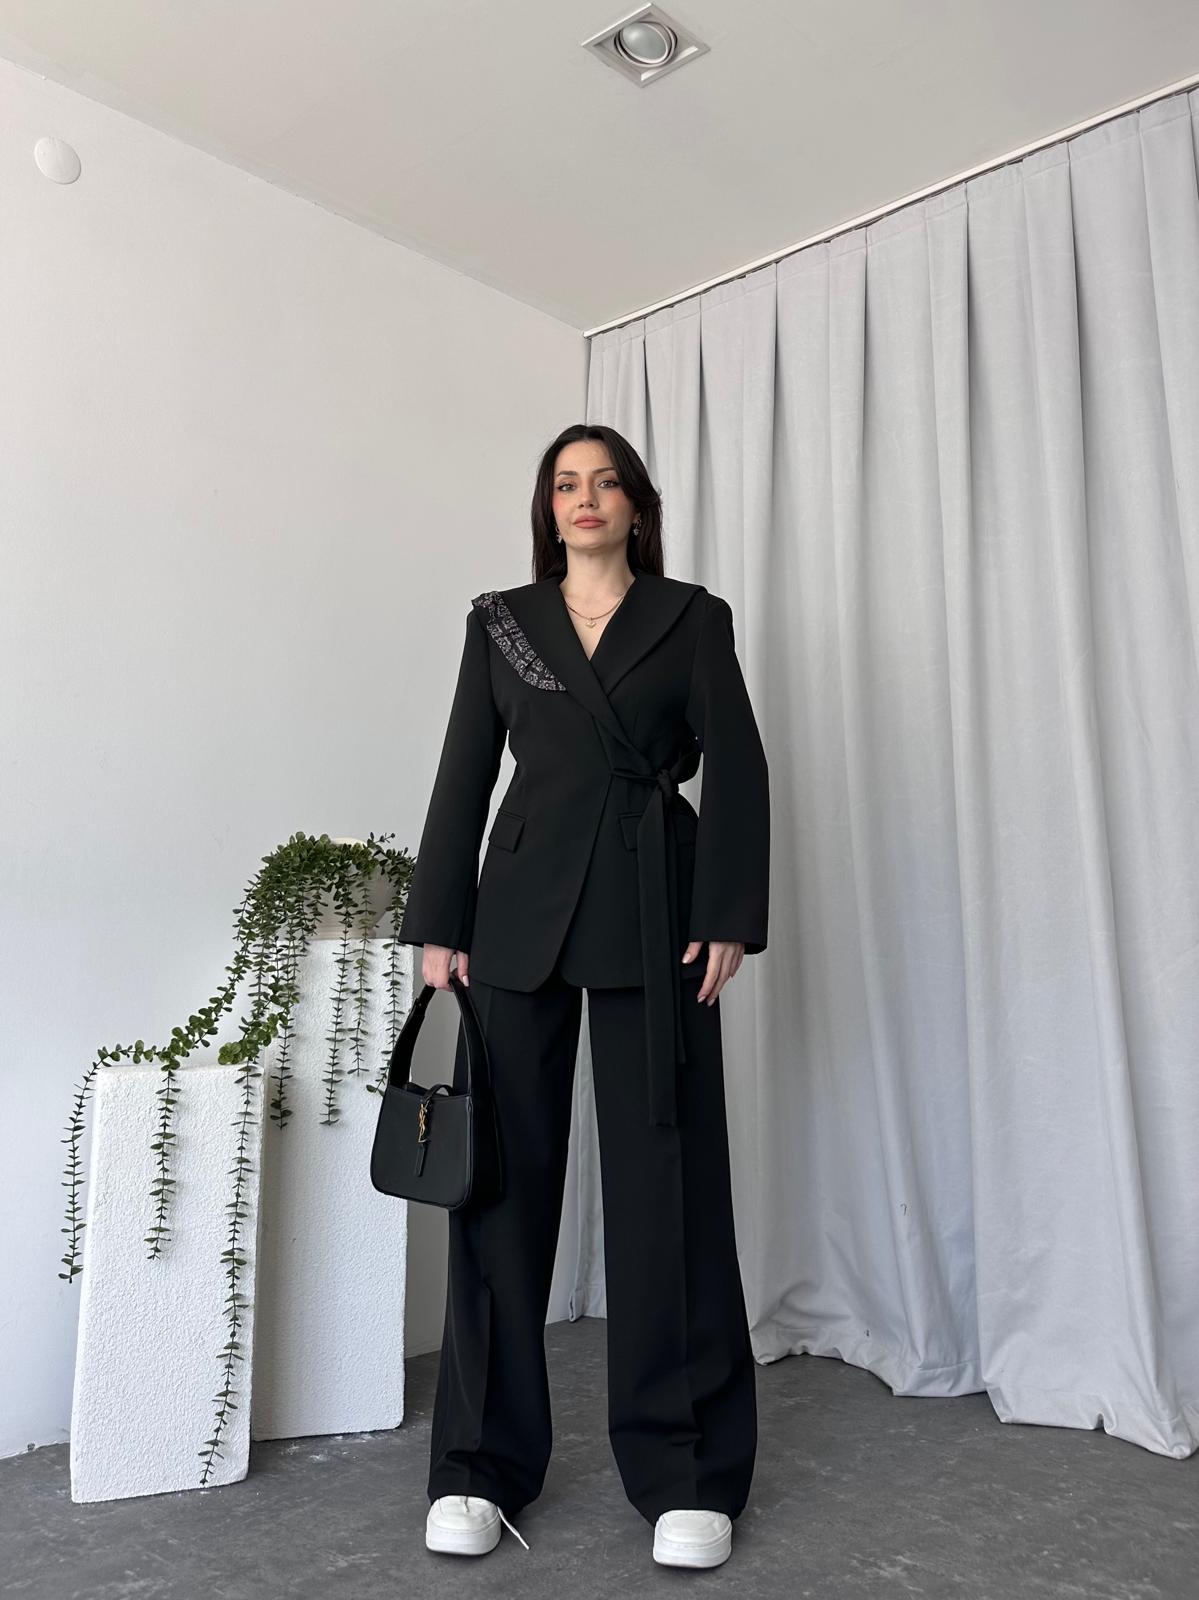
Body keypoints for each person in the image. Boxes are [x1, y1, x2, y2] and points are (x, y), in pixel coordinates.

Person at [397, 423, 770, 1569]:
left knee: (669, 1191)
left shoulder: (692, 617)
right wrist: (439, 923)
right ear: (546, 507)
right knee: (498, 1195)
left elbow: (738, 761)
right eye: (566, 483)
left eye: (605, 482)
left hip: (656, 918)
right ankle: (476, 1465)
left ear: (636, 506)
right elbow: (465, 769)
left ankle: (686, 1472)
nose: (585, 497)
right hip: (514, 925)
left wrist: (725, 912)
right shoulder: (499, 622)